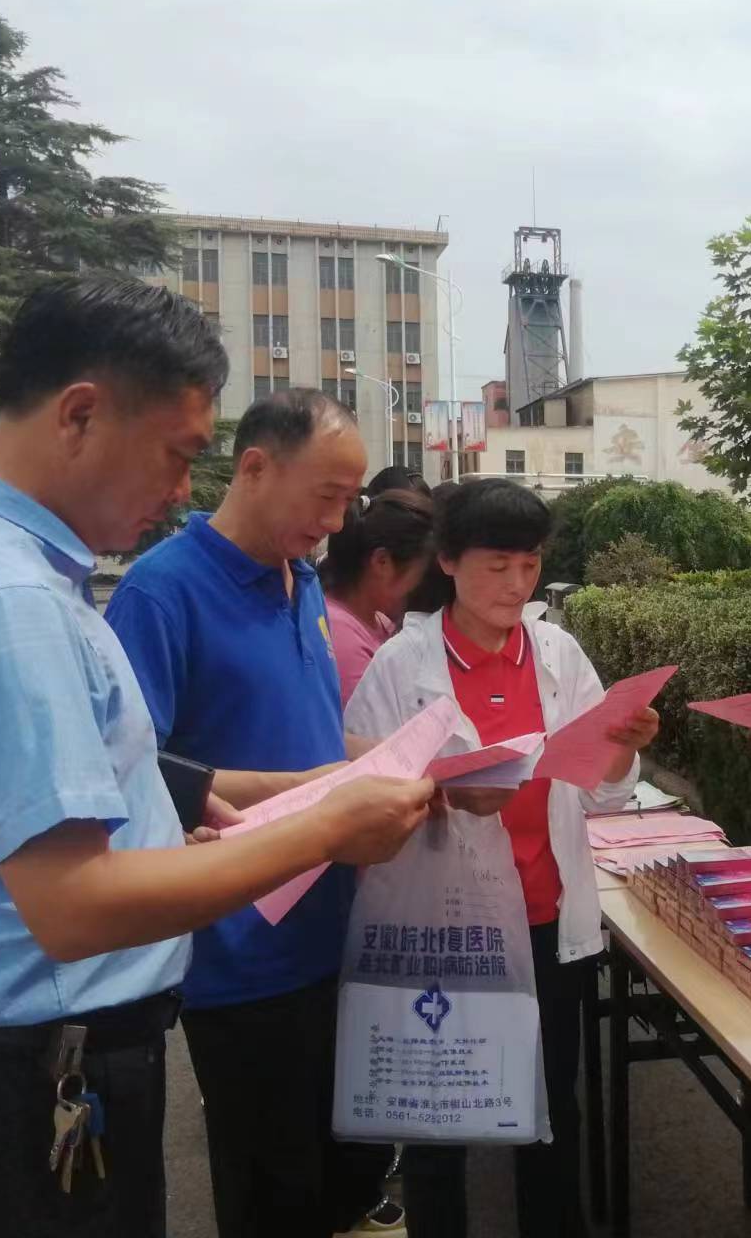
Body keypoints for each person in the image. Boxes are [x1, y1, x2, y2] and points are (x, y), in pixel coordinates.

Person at [0, 274, 433, 1238]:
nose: (181, 491)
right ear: (80, 414)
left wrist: (232, 797)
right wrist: (327, 827)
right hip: (36, 1076)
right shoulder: (7, 603)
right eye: (178, 453)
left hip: (13, 1068)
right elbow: (76, 904)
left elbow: (96, 768)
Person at [105, 389, 403, 1238]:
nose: (337, 524)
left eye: (350, 503)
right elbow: (138, 773)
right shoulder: (162, 593)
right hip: (242, 949)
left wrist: (398, 760)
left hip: (332, 926)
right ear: (255, 468)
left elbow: (308, 729)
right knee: (275, 1191)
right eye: (326, 497)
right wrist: (312, 785)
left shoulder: (301, 580)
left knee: (344, 1175)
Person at [345, 478, 659, 1238]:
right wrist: (444, 795)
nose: (517, 584)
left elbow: (603, 795)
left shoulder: (558, 654)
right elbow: (358, 797)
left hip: (545, 918)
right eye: (498, 566)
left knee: (548, 1110)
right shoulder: (402, 665)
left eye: (530, 564)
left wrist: (621, 752)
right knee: (437, 1122)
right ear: (449, 561)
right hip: (444, 928)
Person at [322, 488, 436, 705]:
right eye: (420, 575)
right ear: (382, 562)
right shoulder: (343, 639)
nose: (422, 587)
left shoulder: (378, 620)